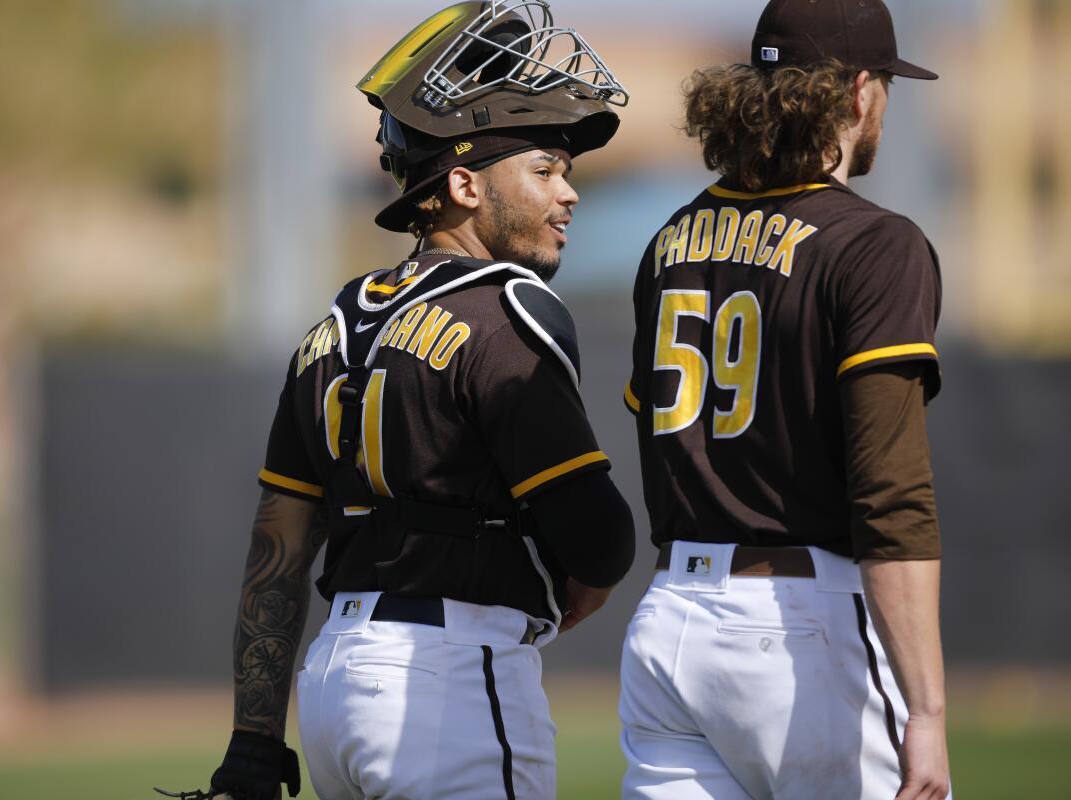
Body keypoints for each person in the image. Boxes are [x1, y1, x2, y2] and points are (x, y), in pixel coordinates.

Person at [176, 3, 635, 799]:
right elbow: (598, 542)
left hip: (334, 685)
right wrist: (583, 573)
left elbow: (278, 547)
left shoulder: (332, 329)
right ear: (463, 183)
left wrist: (254, 737)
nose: (568, 195)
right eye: (545, 169)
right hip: (448, 682)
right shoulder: (507, 312)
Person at [619, 1, 951, 798]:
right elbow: (890, 493)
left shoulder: (672, 238)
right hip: (800, 625)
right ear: (861, 90)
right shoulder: (874, 243)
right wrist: (929, 709)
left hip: (671, 620)